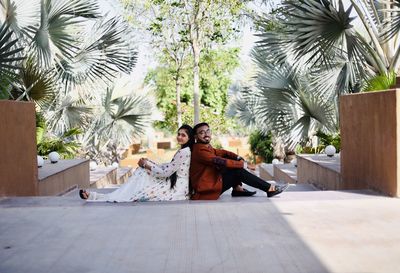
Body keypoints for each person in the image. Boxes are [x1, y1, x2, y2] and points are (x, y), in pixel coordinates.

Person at [79, 124, 194, 202]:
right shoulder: (184, 151)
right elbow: (169, 166)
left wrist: (146, 165)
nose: (179, 137)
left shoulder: (184, 152)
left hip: (177, 187)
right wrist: (150, 163)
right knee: (142, 173)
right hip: (176, 183)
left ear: (190, 137)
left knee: (142, 174)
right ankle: (101, 197)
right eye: (178, 134)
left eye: (183, 135)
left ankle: (100, 197)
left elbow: (166, 172)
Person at [190, 122, 288, 200]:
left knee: (233, 162)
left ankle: (238, 189)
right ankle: (269, 188)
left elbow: (222, 152)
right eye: (202, 132)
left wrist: (237, 158)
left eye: (208, 131)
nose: (206, 134)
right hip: (207, 190)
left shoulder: (205, 146)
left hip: (212, 182)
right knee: (237, 170)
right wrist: (244, 165)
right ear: (196, 136)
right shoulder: (200, 150)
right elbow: (220, 161)